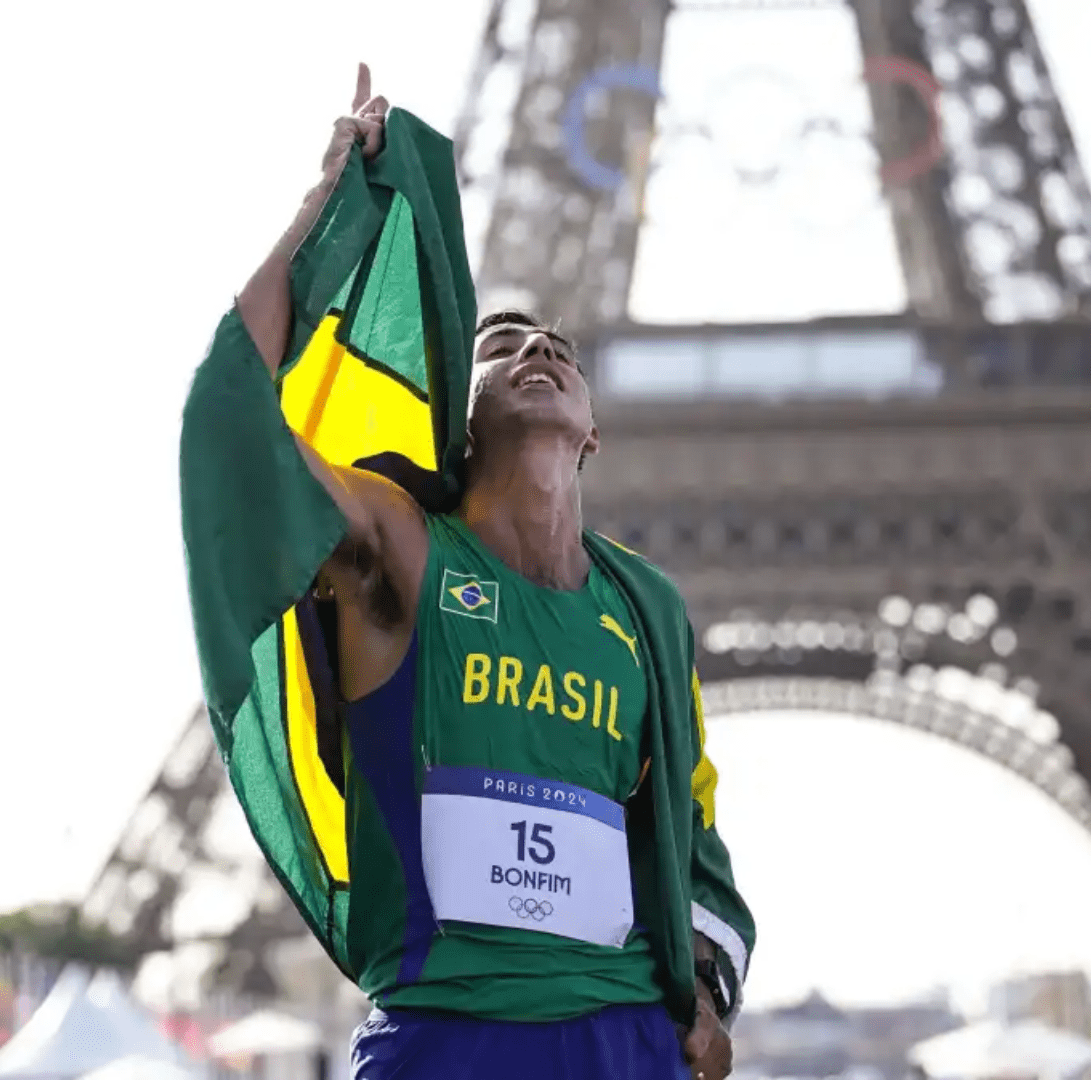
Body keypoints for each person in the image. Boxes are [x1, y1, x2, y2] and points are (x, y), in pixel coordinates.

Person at [185, 65, 755, 1079]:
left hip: (623, 1034)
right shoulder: (400, 550)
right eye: (501, 346)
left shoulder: (648, 609)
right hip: (449, 1036)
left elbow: (690, 819)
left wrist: (706, 993)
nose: (537, 345)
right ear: (461, 415)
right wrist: (328, 208)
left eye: (560, 350)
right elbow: (240, 413)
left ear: (592, 434)